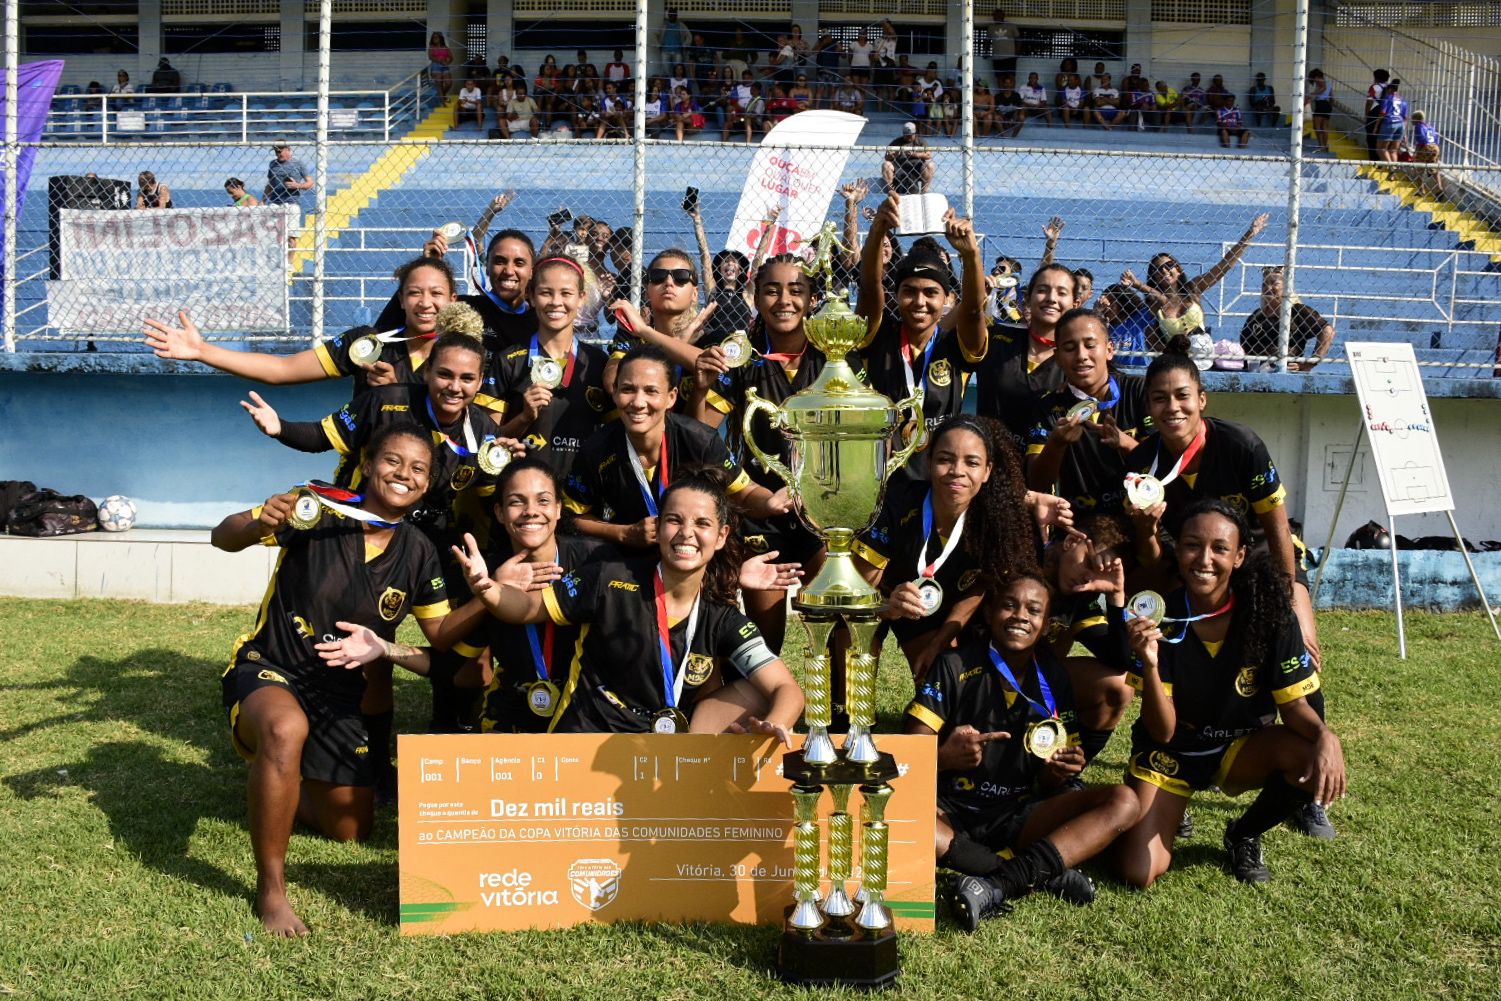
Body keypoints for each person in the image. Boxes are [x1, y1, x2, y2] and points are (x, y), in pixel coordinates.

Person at [211, 424, 456, 936]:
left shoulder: (419, 551)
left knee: (350, 829)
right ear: (368, 463)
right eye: (392, 461)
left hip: (341, 695)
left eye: (418, 469)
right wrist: (260, 517)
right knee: (284, 730)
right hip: (272, 666)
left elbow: (441, 642)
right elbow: (222, 537)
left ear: (428, 484)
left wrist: (486, 594)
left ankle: (276, 784)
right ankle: (271, 890)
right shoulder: (317, 510)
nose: (403, 474)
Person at [1123, 338, 1331, 806]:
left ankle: (1308, 790)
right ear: (1148, 405)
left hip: (1260, 568)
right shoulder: (1141, 464)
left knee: (1303, 671)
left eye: (1181, 395)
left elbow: (1277, 531)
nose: (1171, 407)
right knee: (1192, 668)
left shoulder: (1240, 444)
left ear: (1202, 399)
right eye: (1159, 398)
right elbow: (1154, 559)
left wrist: (1291, 603)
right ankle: (1180, 767)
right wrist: (1146, 530)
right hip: (1198, 573)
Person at [459, 466, 806, 739]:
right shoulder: (608, 579)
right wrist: (487, 589)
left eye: (702, 523)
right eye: (674, 520)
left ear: (721, 536)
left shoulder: (720, 615)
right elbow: (526, 608)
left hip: (663, 735)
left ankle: (698, 779)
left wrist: (775, 724)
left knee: (757, 693)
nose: (686, 533)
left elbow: (785, 688)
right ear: (659, 527)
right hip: (589, 733)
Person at [1116, 499, 1345, 887]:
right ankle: (1161, 802)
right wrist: (1151, 665)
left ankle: (1243, 833)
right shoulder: (1158, 617)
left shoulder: (1268, 614)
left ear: (1239, 556)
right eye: (1192, 545)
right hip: (1173, 752)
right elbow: (1163, 731)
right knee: (1138, 872)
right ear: (1179, 550)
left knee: (1309, 755)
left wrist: (1326, 736)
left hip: (1240, 749)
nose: (1204, 559)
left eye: (1219, 548)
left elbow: (1294, 707)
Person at [906, 572, 1141, 929]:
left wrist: (1059, 771)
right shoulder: (954, 666)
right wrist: (944, 756)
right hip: (948, 812)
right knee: (909, 820)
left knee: (1125, 802)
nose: (1020, 616)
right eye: (1009, 605)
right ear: (989, 614)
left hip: (1016, 813)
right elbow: (905, 763)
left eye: (1034, 610)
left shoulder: (1055, 678)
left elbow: (1046, 783)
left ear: (1045, 625)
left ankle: (995, 882)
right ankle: (1037, 872)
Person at [854, 416, 1048, 679]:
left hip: (928, 613)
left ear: (987, 471)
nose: (957, 470)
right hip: (871, 607)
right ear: (928, 461)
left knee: (941, 688)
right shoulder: (895, 503)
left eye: (972, 462)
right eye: (945, 459)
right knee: (849, 702)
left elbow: (980, 585)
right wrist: (889, 605)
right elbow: (855, 594)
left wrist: (939, 642)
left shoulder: (994, 519)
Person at [566, 344, 791, 550]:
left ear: (671, 397)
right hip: (627, 565)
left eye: (651, 391)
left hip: (692, 557)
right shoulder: (597, 448)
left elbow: (746, 492)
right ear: (614, 393)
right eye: (628, 389)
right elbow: (573, 516)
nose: (638, 402)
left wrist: (769, 503)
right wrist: (624, 533)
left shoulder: (699, 440)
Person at [145, 256, 460, 400]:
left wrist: (400, 393)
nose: (425, 303)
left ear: (453, 299)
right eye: (415, 293)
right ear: (401, 299)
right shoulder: (365, 344)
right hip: (368, 487)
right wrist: (203, 351)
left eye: (436, 294)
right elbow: (283, 369)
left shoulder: (465, 356)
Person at [857, 197, 989, 481]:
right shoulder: (878, 338)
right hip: (882, 480)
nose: (919, 301)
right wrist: (878, 229)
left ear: (946, 299)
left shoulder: (956, 346)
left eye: (931, 292)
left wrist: (970, 255)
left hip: (941, 481)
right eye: (909, 291)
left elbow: (976, 310)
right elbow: (869, 289)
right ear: (896, 295)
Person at [487, 257, 610, 478]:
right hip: (525, 496)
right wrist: (524, 417)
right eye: (545, 293)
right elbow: (487, 441)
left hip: (581, 501)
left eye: (566, 293)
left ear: (581, 298)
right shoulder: (508, 361)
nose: (555, 302)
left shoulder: (598, 363)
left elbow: (614, 436)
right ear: (531, 296)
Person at [1025, 308, 1152, 516]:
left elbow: (1162, 466)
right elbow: (1037, 483)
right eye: (1069, 348)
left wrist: (1125, 443)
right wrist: (1056, 444)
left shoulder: (1138, 391)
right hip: (1078, 529)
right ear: (1057, 357)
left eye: (1090, 345)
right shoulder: (1047, 406)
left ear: (1109, 349)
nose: (1081, 356)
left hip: (1137, 521)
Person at [1120, 212, 1269, 353]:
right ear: (1153, 277)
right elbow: (1152, 339)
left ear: (1178, 269)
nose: (1165, 271)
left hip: (1203, 355)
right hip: (1176, 358)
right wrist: (1138, 285)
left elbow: (1224, 266)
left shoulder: (1193, 288)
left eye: (1169, 265)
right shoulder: (1154, 304)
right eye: (1158, 269)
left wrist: (1249, 234)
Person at [975, 263, 1076, 443]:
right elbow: (945, 334)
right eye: (1043, 290)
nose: (1051, 298)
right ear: (1027, 299)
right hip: (988, 462)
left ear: (1075, 304)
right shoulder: (995, 339)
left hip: (1047, 465)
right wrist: (973, 299)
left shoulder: (1079, 361)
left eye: (1062, 293)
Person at [1238, 267, 1333, 371]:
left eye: (1275, 283)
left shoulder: (1297, 311)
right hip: (1256, 372)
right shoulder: (1256, 316)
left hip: (1286, 371)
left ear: (1286, 288)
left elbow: (1327, 331)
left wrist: (1312, 361)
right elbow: (1244, 347)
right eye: (1264, 284)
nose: (1268, 287)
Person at [883, 122, 933, 195]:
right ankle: (890, 190)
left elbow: (928, 155)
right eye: (906, 136)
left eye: (910, 136)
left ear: (915, 134)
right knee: (886, 165)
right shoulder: (896, 142)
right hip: (899, 168)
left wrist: (916, 155)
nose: (908, 138)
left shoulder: (921, 142)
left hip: (917, 168)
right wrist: (894, 155)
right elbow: (887, 157)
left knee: (930, 165)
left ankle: (924, 190)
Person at [264, 142, 312, 208]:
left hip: (292, 203)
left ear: (288, 149)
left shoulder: (298, 164)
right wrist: (263, 201)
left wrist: (298, 185)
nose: (278, 154)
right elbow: (270, 185)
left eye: (280, 151)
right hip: (274, 202)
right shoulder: (273, 164)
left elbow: (310, 183)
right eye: (276, 152)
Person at [1411, 110, 1443, 197]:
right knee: (1434, 168)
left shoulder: (1418, 126)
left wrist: (1416, 152)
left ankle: (1421, 190)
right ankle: (1439, 187)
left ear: (1417, 119)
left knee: (1418, 168)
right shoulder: (1430, 126)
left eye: (1412, 119)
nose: (1411, 121)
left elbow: (1421, 140)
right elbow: (1436, 138)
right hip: (1435, 147)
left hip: (1425, 147)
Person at [1377, 79, 1408, 164]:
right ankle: (1393, 169)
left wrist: (1376, 126)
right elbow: (1405, 118)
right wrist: (1405, 133)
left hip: (1389, 123)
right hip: (1400, 124)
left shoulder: (1387, 98)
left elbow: (1382, 113)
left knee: (1381, 148)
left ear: (1389, 89)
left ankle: (1391, 168)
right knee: (1393, 150)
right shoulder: (1403, 100)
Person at [1365, 68, 1390, 161]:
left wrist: (1367, 115)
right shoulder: (1390, 88)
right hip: (1387, 115)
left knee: (1371, 138)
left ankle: (1373, 160)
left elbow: (1369, 102)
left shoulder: (1374, 87)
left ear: (1376, 78)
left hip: (1374, 114)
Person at [1305, 69, 1333, 151]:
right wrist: (1330, 105)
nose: (1314, 80)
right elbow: (1331, 95)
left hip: (1321, 104)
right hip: (1327, 104)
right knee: (1324, 127)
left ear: (1316, 76)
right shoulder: (1329, 82)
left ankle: (1321, 145)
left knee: (1316, 126)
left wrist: (1312, 94)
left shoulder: (1320, 80)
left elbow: (1323, 88)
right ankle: (1324, 145)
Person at [659, 9, 689, 73]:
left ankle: (677, 82)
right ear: (668, 15)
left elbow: (689, 36)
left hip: (677, 52)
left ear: (676, 15)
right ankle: (669, 82)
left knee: (678, 70)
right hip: (665, 51)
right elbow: (655, 34)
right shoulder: (664, 25)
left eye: (674, 14)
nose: (672, 16)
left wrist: (685, 45)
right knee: (666, 70)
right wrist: (658, 45)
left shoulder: (681, 25)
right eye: (670, 15)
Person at [427, 32, 454, 101]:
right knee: (440, 84)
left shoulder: (445, 47)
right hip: (436, 66)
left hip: (445, 66)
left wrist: (448, 61)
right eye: (433, 37)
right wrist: (440, 60)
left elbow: (451, 57)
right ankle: (443, 102)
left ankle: (442, 96)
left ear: (441, 38)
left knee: (449, 83)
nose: (435, 39)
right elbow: (430, 57)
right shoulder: (431, 47)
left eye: (436, 37)